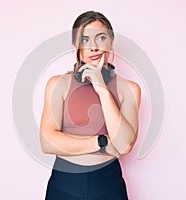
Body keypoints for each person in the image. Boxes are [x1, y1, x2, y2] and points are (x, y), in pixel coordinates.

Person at [40, 10, 141, 200]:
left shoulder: (129, 89)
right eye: (85, 40)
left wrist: (102, 89)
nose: (93, 47)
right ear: (75, 45)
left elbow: (125, 145)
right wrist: (102, 142)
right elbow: (48, 142)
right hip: (64, 186)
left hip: (109, 186)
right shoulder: (58, 84)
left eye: (100, 38)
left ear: (111, 42)